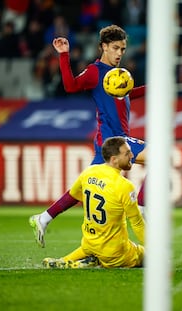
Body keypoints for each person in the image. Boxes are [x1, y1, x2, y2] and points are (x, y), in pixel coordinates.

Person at [29, 24, 146, 248]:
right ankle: (142, 205)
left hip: (111, 141)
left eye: (123, 48)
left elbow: (128, 93)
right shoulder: (95, 72)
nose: (120, 53)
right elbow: (70, 86)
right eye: (115, 48)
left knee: (85, 186)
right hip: (113, 140)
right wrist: (64, 56)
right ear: (103, 47)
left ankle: (44, 218)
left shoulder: (119, 76)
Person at [42, 136, 145, 269]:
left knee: (74, 257)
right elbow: (137, 223)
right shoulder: (125, 186)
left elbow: (73, 195)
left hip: (89, 244)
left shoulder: (89, 172)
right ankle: (86, 263)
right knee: (147, 255)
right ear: (114, 159)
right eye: (127, 153)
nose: (132, 156)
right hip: (115, 253)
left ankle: (69, 261)